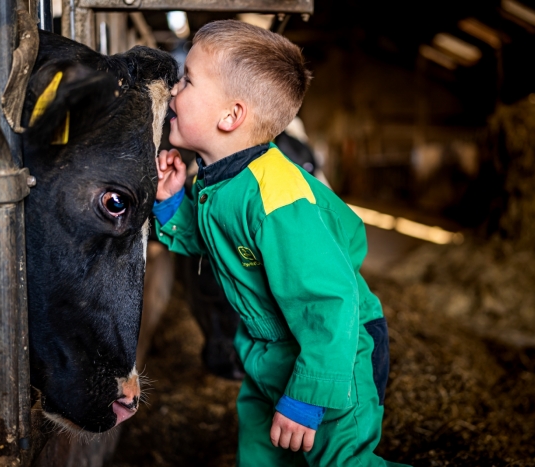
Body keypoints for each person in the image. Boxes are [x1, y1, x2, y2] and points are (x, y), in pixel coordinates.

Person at [151, 19, 409, 467]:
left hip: (335, 350)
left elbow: (330, 299)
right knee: (264, 454)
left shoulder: (277, 198)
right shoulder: (220, 182)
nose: (174, 90)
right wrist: (174, 201)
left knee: (340, 462)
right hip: (266, 348)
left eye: (187, 80)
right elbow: (216, 243)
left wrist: (308, 398)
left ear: (230, 116)